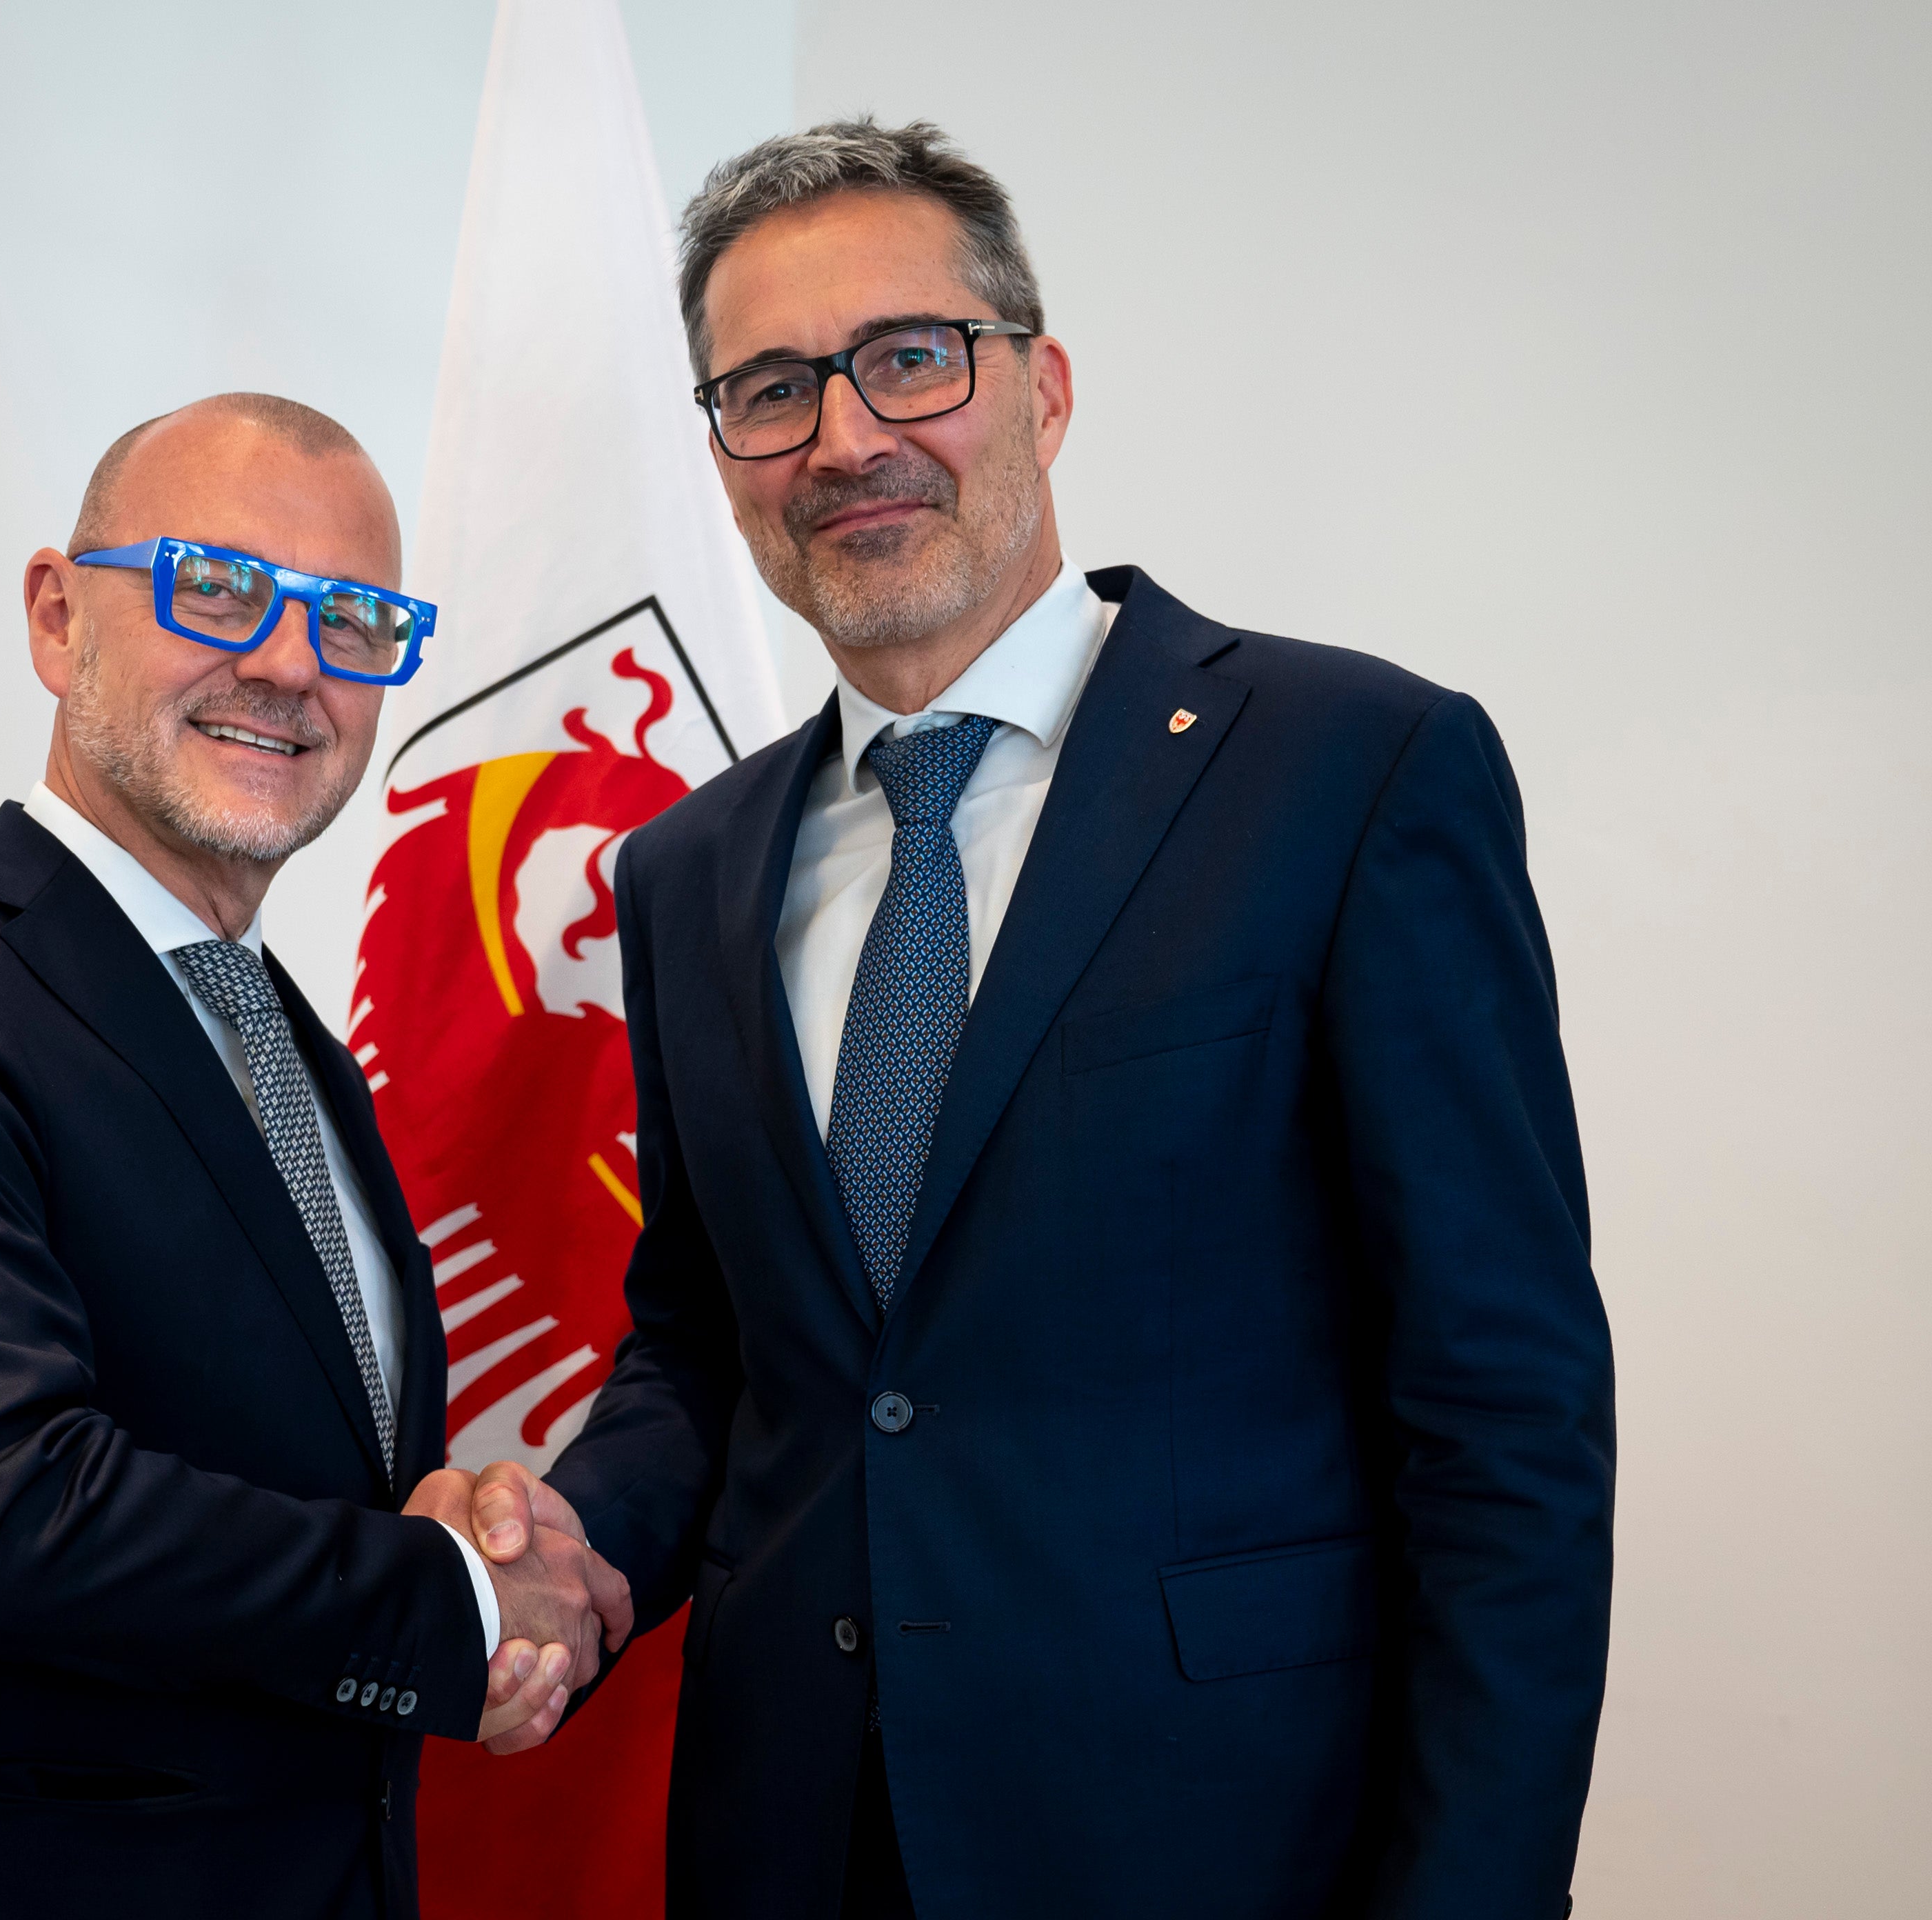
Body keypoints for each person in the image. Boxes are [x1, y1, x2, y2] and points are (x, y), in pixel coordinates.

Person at [461, 121, 1614, 1917]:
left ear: (1043, 386)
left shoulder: (1352, 772)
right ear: (723, 457)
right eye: (771, 392)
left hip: (1214, 1842)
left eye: (908, 357)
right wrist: (571, 1550)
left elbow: (1504, 1418)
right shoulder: (684, 871)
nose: (846, 439)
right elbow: (712, 1348)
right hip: (790, 1844)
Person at [0, 393, 632, 1920]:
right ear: (55, 617)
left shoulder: (291, 1045)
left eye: (354, 619)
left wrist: (453, 1532)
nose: (290, 662)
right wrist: (448, 1599)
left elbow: (298, 1475)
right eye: (214, 588)